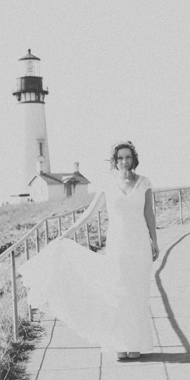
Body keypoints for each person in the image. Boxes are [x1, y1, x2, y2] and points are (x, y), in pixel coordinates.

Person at [19, 141, 159, 361]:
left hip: (140, 245)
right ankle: (121, 343)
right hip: (118, 246)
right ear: (115, 161)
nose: (124, 161)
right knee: (119, 294)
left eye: (128, 157)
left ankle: (137, 344)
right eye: (120, 158)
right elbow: (91, 213)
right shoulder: (108, 184)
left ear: (134, 160)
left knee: (137, 295)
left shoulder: (144, 183)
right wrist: (69, 231)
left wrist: (154, 240)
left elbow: (149, 213)